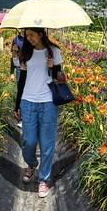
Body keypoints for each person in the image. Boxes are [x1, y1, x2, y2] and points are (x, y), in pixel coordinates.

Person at [14, 27, 63, 199]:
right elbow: (22, 81)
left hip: (48, 101)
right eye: (27, 36)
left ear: (41, 34)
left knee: (46, 142)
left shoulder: (54, 51)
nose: (29, 38)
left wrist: (52, 68)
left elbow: (60, 78)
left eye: (32, 35)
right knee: (28, 140)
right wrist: (17, 104)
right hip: (28, 100)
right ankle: (32, 163)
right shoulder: (25, 53)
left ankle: (44, 180)